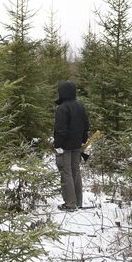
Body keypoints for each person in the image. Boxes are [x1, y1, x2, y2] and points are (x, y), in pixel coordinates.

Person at [53, 81, 89, 211]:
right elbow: (86, 125)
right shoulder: (80, 106)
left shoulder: (62, 108)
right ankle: (78, 202)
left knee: (66, 172)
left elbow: (61, 129)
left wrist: (57, 144)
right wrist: (83, 140)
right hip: (77, 145)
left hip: (65, 147)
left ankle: (70, 204)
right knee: (75, 171)